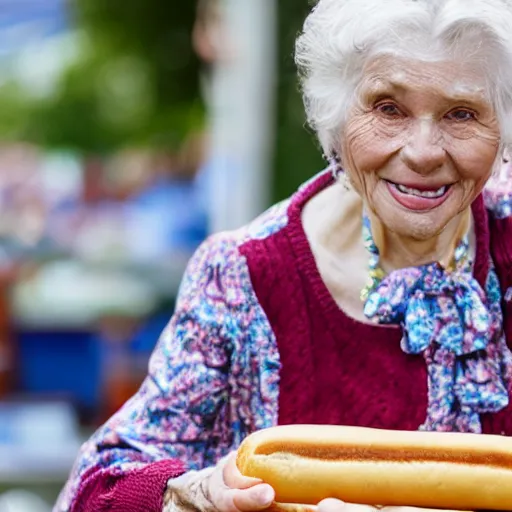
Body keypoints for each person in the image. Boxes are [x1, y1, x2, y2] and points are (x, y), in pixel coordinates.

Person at [55, 0, 512, 511]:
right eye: (388, 108)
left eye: (462, 113)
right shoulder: (243, 275)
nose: (425, 151)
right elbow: (93, 491)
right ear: (336, 113)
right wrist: (196, 496)